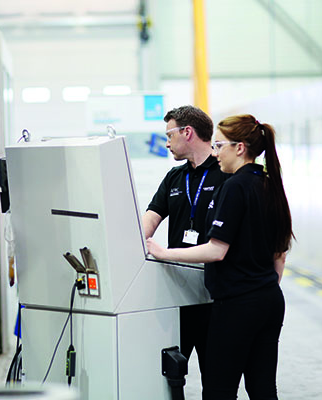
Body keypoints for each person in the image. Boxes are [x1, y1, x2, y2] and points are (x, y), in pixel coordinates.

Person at [146, 114, 293, 400]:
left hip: (236, 303)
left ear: (240, 148)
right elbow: (280, 254)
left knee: (219, 390)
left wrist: (164, 253)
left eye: (220, 146)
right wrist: (263, 287)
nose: (216, 153)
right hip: (269, 299)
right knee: (262, 388)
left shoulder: (234, 186)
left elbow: (216, 250)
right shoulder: (268, 183)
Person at [142, 105, 228, 396]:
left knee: (217, 381)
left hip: (215, 294)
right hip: (176, 296)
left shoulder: (225, 175)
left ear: (187, 132)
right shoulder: (174, 178)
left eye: (169, 135)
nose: (166, 142)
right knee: (169, 375)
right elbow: (150, 219)